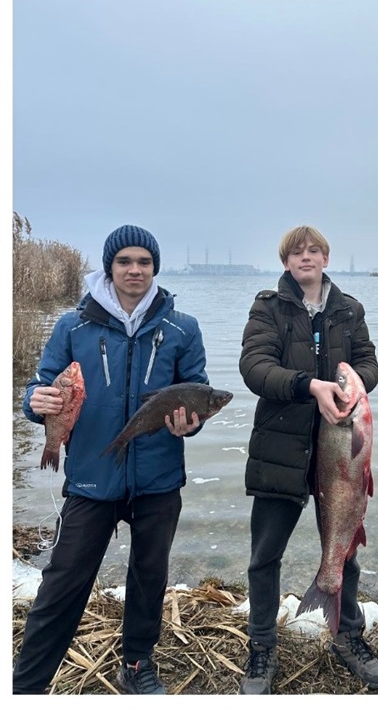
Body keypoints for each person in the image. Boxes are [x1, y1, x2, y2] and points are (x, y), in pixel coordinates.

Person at [14, 225, 208, 695]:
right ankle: (25, 685)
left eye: (144, 262)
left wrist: (191, 423)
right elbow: (40, 385)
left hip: (158, 480)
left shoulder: (183, 328)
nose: (134, 270)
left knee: (149, 577)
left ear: (155, 268)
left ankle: (137, 665)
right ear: (110, 267)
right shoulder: (72, 326)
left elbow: (198, 392)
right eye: (124, 261)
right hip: (90, 478)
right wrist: (33, 401)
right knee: (62, 582)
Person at [238, 225, 378, 694]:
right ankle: (262, 647)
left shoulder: (349, 309)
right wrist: (309, 386)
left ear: (326, 258)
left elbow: (369, 363)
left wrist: (351, 387)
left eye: (314, 250)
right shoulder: (268, 307)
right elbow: (254, 367)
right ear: (286, 262)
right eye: (296, 252)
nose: (306, 257)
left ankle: (347, 636)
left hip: (340, 449)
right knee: (265, 556)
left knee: (345, 550)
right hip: (281, 450)